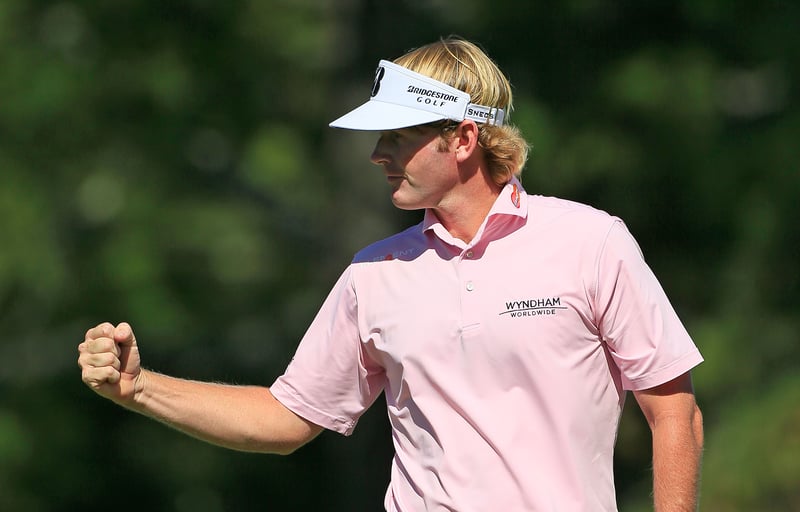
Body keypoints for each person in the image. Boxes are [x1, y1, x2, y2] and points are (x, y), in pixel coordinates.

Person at [78, 37, 704, 511]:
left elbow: (674, 412)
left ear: (462, 139)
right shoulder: (372, 274)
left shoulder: (590, 242)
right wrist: (140, 389)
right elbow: (287, 418)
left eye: (399, 138)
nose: (379, 154)